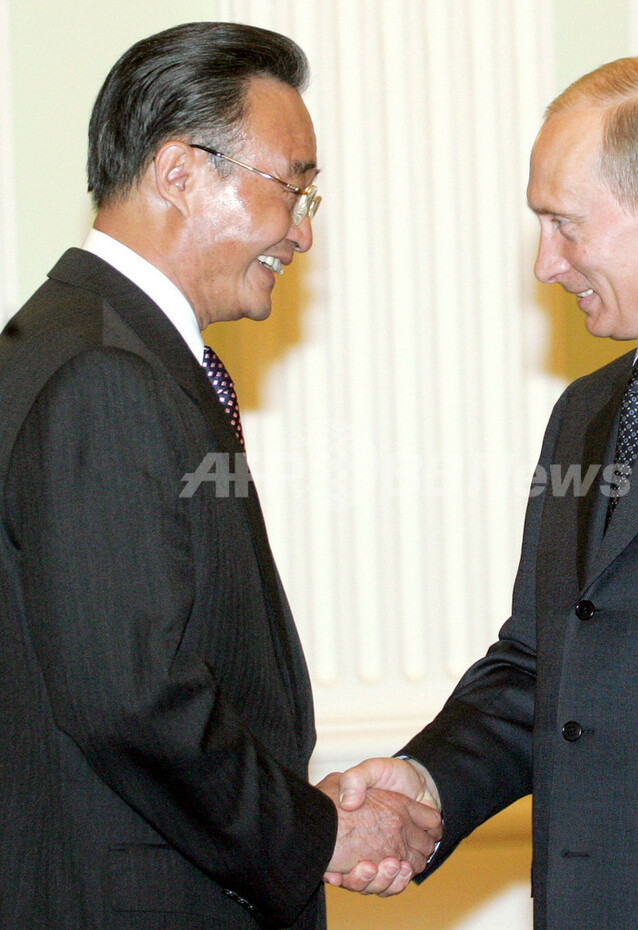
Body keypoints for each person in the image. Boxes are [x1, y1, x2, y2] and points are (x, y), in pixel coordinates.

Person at [331, 56, 638, 928]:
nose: (547, 263)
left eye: (564, 224)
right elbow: (543, 663)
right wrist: (428, 779)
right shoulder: (587, 413)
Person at [0, 22, 440, 930]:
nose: (302, 232)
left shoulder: (82, 341)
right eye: (293, 189)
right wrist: (315, 834)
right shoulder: (103, 375)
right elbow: (132, 699)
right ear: (178, 172)